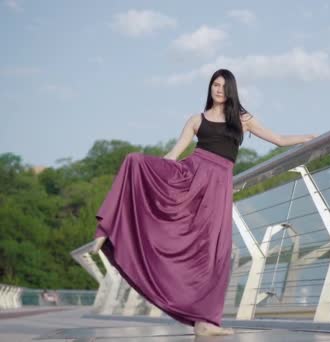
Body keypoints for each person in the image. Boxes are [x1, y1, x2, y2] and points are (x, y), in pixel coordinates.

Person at [90, 69, 317, 336]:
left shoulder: (243, 120)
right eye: (215, 84)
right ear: (210, 88)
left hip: (218, 188)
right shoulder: (196, 120)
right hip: (191, 179)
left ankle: (205, 322)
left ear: (231, 89)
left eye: (223, 85)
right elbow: (174, 154)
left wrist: (308, 138)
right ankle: (108, 229)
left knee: (216, 252)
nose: (218, 89)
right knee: (134, 161)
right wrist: (154, 174)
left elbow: (277, 140)